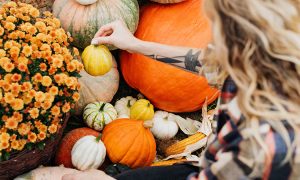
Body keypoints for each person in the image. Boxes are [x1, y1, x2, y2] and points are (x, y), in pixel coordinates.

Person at [63, 0, 300, 179]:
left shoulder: (264, 145)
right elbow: (209, 62)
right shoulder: (272, 57)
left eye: (216, 25)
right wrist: (135, 45)